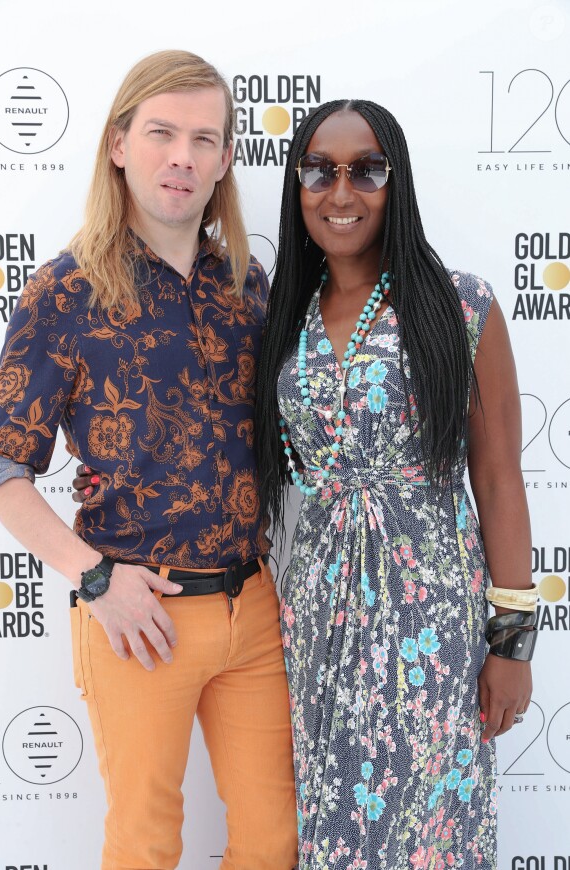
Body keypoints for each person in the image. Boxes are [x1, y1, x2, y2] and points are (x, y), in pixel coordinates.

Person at [0, 50, 297, 870]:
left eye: (204, 138)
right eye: (161, 132)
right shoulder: (64, 291)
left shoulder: (248, 285)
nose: (182, 156)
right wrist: (95, 578)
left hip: (255, 608)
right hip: (139, 615)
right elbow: (2, 469)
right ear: (119, 145)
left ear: (227, 159)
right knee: (145, 846)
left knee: (275, 843)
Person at [255, 100, 536, 870]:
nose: (341, 192)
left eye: (367, 170)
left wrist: (511, 640)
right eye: (319, 169)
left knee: (434, 818)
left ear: (396, 181)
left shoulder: (461, 304)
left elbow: (500, 476)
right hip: (318, 619)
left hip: (431, 620)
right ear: (298, 184)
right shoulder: (285, 314)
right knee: (335, 822)